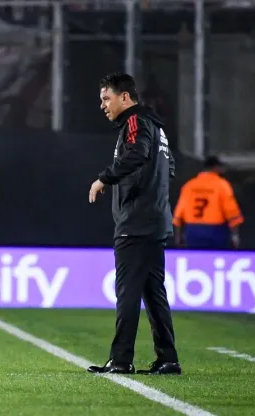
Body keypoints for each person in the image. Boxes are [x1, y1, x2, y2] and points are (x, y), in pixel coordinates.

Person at [87, 72, 181, 375]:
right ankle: (168, 358)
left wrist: (105, 178)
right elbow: (170, 167)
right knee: (154, 292)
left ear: (124, 97)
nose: (102, 105)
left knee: (127, 291)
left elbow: (138, 154)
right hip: (154, 219)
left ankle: (122, 359)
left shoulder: (135, 122)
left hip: (137, 223)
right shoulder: (156, 126)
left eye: (106, 98)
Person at [173, 156, 244, 249]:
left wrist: (178, 236)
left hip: (192, 231)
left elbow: (178, 214)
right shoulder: (222, 185)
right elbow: (232, 213)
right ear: (216, 168)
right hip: (215, 231)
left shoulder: (189, 185)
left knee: (195, 261)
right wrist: (235, 236)